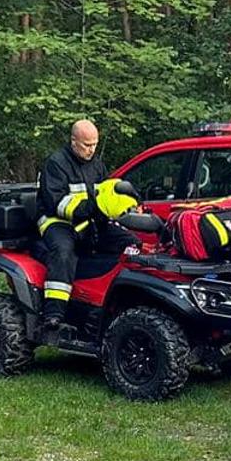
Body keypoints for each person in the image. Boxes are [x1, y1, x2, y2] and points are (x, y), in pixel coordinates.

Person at [35, 119, 137, 332]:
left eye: (94, 144)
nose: (91, 149)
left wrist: (124, 203)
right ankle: (54, 313)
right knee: (63, 252)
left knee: (130, 243)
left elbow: (105, 193)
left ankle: (118, 303)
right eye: (86, 145)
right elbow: (58, 204)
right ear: (73, 141)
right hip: (58, 222)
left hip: (88, 222)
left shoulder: (97, 164)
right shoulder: (56, 163)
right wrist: (92, 207)